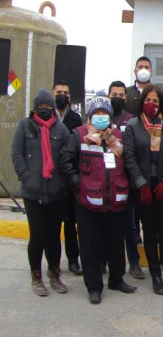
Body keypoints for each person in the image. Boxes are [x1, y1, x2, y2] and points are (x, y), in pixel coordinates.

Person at [60, 95, 137, 304]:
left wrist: (129, 186)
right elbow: (65, 162)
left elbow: (130, 163)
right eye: (97, 113)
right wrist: (77, 183)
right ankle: (94, 286)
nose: (101, 116)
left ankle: (116, 279)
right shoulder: (79, 135)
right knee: (90, 246)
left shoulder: (120, 137)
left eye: (104, 113)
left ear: (110, 116)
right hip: (88, 202)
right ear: (90, 116)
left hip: (116, 200)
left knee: (116, 243)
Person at [123, 84, 163, 295]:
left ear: (161, 104)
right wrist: (141, 184)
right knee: (149, 233)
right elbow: (129, 158)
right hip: (143, 189)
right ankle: (155, 275)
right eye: (148, 100)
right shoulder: (133, 126)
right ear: (142, 103)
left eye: (155, 101)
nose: (151, 104)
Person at [12, 89, 71, 296]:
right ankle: (36, 276)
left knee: (54, 235)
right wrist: (25, 177)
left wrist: (63, 182)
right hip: (33, 192)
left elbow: (67, 156)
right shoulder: (25, 126)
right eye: (41, 107)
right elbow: (17, 153)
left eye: (48, 107)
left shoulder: (61, 129)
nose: (45, 110)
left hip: (56, 192)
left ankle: (54, 274)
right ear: (34, 108)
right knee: (37, 235)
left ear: (53, 109)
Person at [107, 83, 143, 281]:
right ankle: (103, 261)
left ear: (126, 98)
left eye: (121, 95)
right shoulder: (101, 118)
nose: (118, 98)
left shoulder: (132, 120)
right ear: (108, 95)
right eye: (115, 94)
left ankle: (134, 263)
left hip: (126, 180)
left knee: (130, 225)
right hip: (105, 181)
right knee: (106, 226)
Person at [52, 80, 83, 276]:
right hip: (51, 178)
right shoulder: (46, 116)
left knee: (71, 223)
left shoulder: (75, 119)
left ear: (70, 97)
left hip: (70, 178)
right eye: (59, 92)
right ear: (53, 95)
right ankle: (53, 263)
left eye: (66, 93)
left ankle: (73, 260)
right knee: (53, 225)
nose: (62, 96)